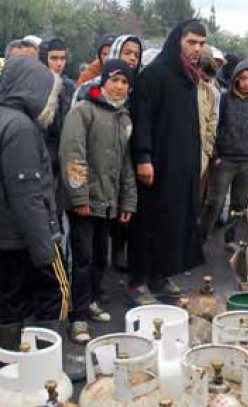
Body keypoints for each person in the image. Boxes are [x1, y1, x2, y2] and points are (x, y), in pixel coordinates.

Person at [0, 56, 67, 346]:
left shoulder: (0, 116)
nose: (51, 102)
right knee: (54, 295)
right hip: (28, 236)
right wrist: (46, 250)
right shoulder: (21, 128)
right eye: (49, 93)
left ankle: (12, 362)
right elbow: (28, 195)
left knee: (12, 300)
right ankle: (47, 359)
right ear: (33, 89)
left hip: (6, 233)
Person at [128, 20, 207, 305]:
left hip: (180, 165)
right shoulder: (156, 74)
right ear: (177, 41)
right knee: (147, 223)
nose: (197, 49)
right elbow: (143, 119)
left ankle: (159, 276)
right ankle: (137, 283)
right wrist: (143, 157)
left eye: (201, 43)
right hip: (156, 163)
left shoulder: (188, 77)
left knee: (171, 223)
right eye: (191, 42)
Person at [60, 59, 137, 343]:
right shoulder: (83, 111)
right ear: (103, 81)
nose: (119, 87)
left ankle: (91, 301)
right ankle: (77, 317)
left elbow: (126, 164)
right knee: (82, 258)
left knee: (99, 258)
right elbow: (73, 155)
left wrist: (128, 201)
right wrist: (79, 196)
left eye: (125, 82)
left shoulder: (124, 118)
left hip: (108, 201)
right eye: (114, 80)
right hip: (85, 201)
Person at [200, 61, 248, 248]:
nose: (246, 83)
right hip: (225, 160)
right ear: (236, 79)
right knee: (214, 202)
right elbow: (216, 125)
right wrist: (216, 154)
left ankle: (230, 239)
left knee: (238, 205)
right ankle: (199, 239)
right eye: (243, 78)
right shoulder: (224, 99)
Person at [38, 38, 75, 215]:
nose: (59, 63)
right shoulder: (35, 84)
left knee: (60, 207)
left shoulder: (69, 86)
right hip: (42, 151)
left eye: (62, 58)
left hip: (63, 151)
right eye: (54, 58)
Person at [74, 34, 143, 105]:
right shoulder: (91, 88)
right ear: (115, 53)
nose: (133, 58)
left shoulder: (138, 90)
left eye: (137, 56)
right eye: (127, 53)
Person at [198, 47, 219, 197]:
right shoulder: (179, 86)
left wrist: (208, 151)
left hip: (201, 154)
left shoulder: (211, 92)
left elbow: (213, 122)